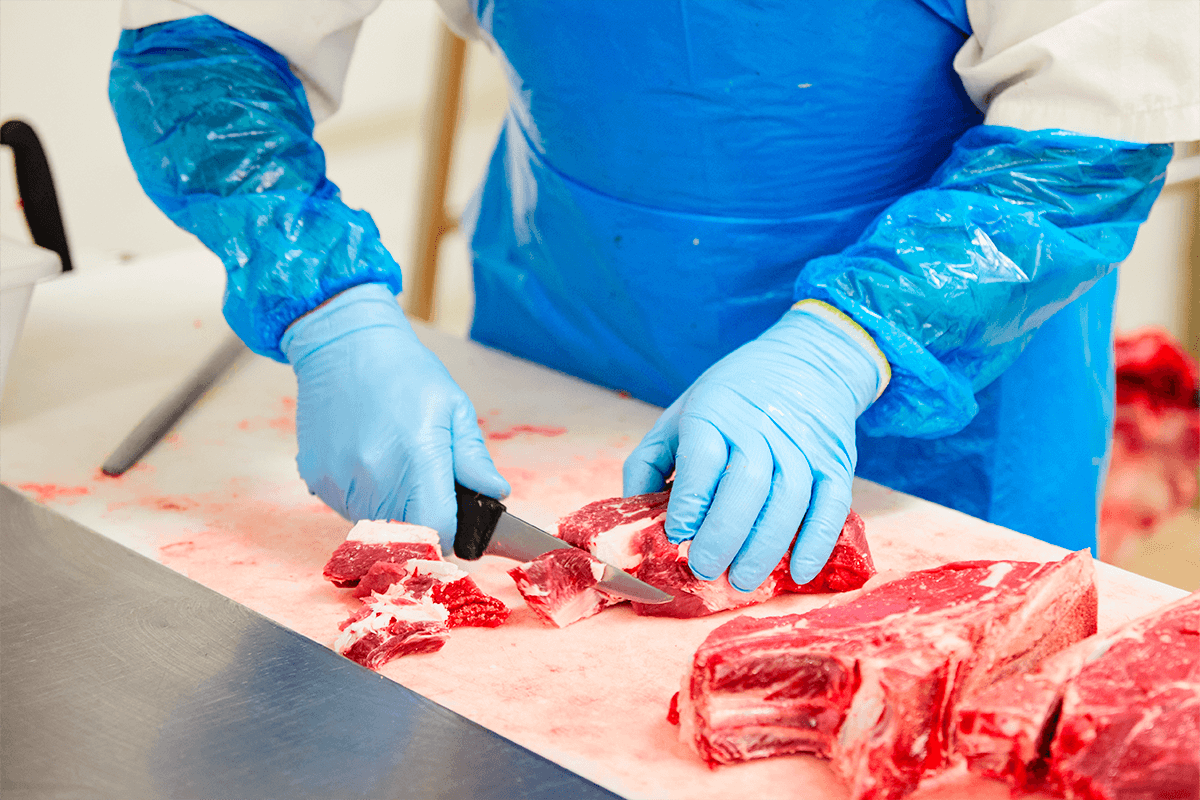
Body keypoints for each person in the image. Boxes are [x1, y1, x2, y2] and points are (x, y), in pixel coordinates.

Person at [109, 0, 1198, 592]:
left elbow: (1085, 140)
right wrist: (325, 308)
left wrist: (839, 346)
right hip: (567, 345)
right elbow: (204, 45)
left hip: (935, 409)